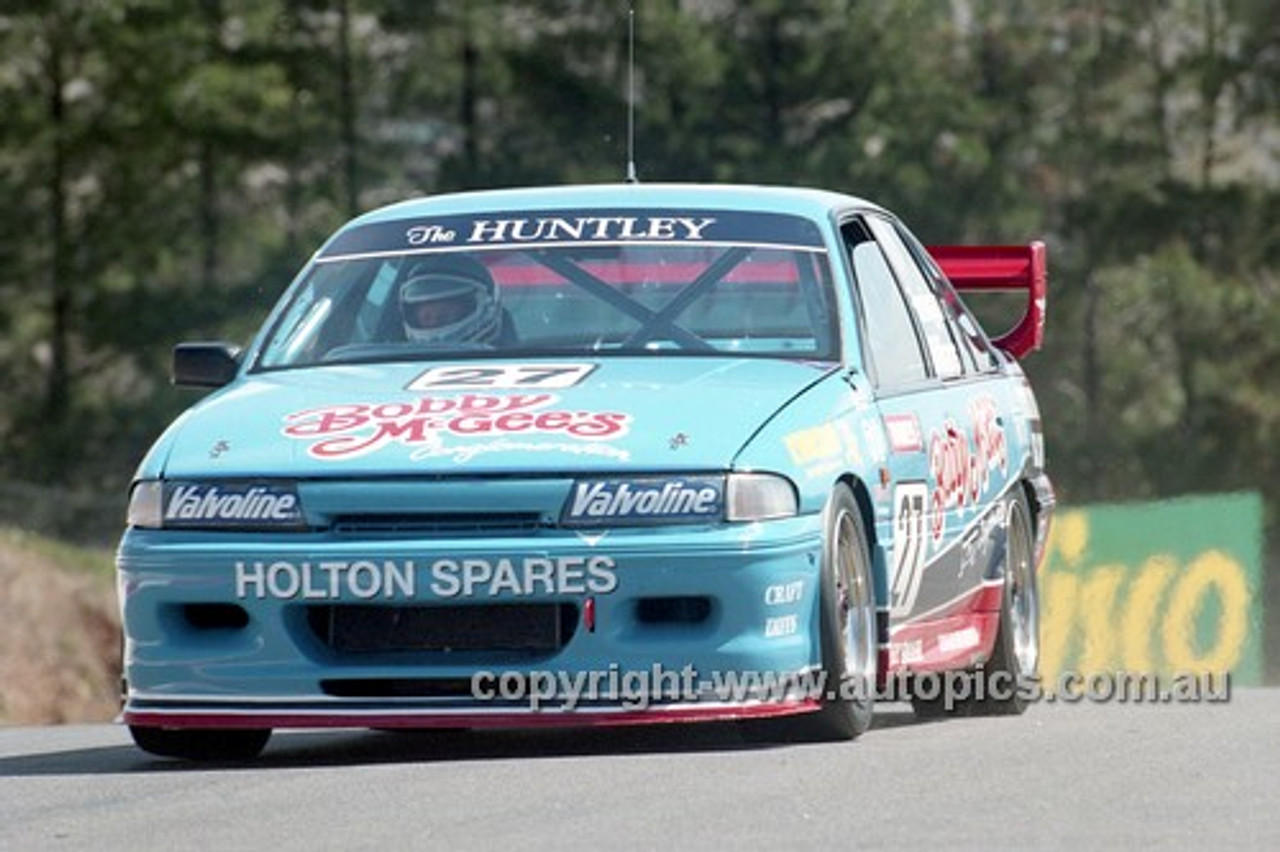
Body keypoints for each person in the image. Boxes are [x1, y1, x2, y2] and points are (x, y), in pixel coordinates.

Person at [399, 254, 507, 345]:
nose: (434, 323)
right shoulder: (389, 360)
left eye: (445, 316)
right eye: (426, 318)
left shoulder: (514, 360)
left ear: (486, 308)